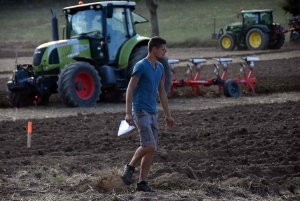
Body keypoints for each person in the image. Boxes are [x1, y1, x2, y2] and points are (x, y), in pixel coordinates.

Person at [121, 36, 175, 192]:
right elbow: (130, 88)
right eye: (163, 49)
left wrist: (167, 115)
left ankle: (142, 183)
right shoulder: (141, 66)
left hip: (152, 111)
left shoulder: (159, 68)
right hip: (139, 110)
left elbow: (162, 93)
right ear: (154, 49)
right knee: (149, 144)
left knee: (150, 149)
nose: (165, 52)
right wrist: (128, 113)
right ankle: (130, 167)